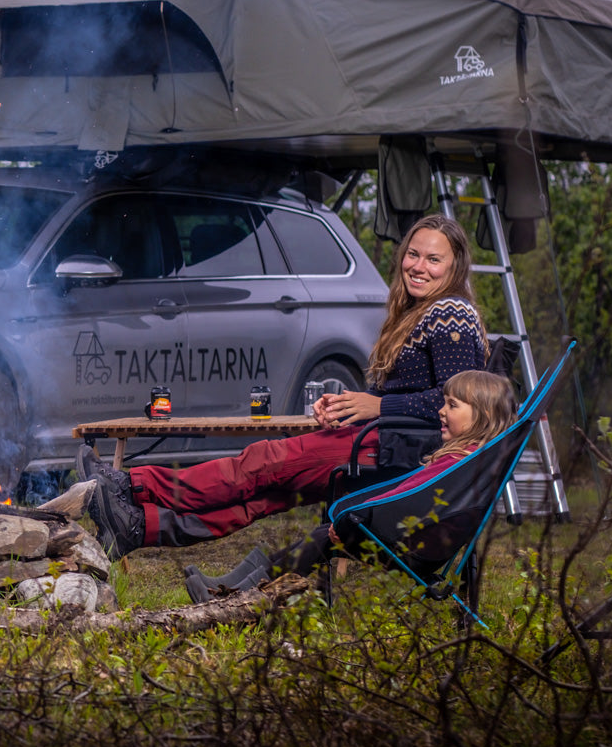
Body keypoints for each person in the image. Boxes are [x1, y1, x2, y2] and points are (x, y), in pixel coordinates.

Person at [79, 213, 488, 558]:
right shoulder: (418, 311)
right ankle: (140, 527)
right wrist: (350, 404)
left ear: (455, 267)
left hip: (396, 450)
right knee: (266, 496)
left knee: (264, 460)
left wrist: (375, 408)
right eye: (413, 255)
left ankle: (132, 485)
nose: (419, 266)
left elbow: (460, 404)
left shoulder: (451, 313)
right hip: (385, 438)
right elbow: (410, 394)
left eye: (434, 259)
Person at [184, 370, 518, 601]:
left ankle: (240, 597)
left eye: (452, 406)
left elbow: (408, 498)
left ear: (483, 416)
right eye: (444, 402)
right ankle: (236, 590)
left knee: (322, 538)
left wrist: (353, 521)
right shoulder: (474, 458)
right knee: (321, 538)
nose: (441, 412)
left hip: (410, 547)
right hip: (419, 543)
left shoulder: (456, 463)